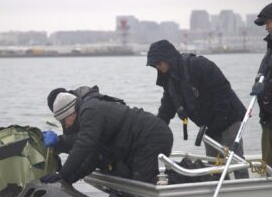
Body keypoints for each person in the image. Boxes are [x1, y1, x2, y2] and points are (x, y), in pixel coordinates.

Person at [146, 39, 248, 178]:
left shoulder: (197, 65)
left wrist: (220, 118)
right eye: (154, 65)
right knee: (215, 166)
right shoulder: (169, 80)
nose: (157, 67)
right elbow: (166, 108)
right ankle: (222, 194)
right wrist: (156, 128)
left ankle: (243, 190)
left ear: (167, 58)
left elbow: (222, 89)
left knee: (236, 160)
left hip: (229, 117)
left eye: (158, 63)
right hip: (208, 125)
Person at [40, 92, 173, 184]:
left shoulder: (89, 111)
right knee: (133, 178)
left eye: (64, 122)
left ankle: (187, 180)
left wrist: (62, 174)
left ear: (70, 113)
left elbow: (83, 145)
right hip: (140, 142)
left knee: (144, 182)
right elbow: (93, 157)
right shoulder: (87, 117)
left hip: (152, 136)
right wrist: (68, 179)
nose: (65, 126)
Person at [250, 0, 272, 176]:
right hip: (270, 120)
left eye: (268, 23)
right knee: (268, 168)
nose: (266, 27)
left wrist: (268, 87)